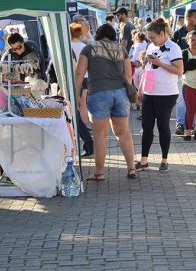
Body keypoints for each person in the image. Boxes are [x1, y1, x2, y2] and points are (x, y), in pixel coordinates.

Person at [75, 24, 137, 180]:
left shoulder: (89, 49)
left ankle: (99, 172)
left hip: (99, 93)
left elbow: (80, 73)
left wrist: (76, 94)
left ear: (98, 35)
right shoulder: (121, 49)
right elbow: (128, 76)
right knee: (123, 132)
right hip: (121, 93)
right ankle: (131, 169)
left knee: (100, 134)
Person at [135, 19, 184, 172]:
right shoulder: (150, 47)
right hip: (150, 91)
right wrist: (141, 90)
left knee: (163, 125)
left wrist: (160, 63)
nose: (151, 40)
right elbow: (148, 70)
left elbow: (179, 70)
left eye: (153, 37)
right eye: (149, 37)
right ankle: (144, 160)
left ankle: (164, 159)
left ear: (162, 33)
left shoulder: (173, 48)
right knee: (146, 126)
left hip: (166, 93)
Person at [171, 9, 196, 135]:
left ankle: (192, 126)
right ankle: (181, 124)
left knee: (195, 103)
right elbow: (173, 51)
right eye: (195, 17)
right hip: (182, 73)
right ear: (188, 18)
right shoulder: (178, 33)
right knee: (181, 100)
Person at [70, 23, 94, 158]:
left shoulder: (69, 47)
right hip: (85, 77)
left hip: (75, 79)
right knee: (83, 104)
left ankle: (85, 128)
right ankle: (86, 124)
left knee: (77, 108)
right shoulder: (84, 46)